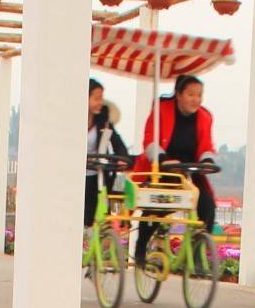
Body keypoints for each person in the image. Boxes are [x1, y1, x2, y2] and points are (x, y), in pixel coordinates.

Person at [133, 73, 217, 268]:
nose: (196, 99)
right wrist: (164, 159)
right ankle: (141, 246)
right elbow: (149, 141)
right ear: (178, 94)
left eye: (199, 95)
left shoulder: (204, 117)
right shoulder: (161, 110)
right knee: (157, 207)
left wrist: (207, 160)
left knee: (207, 205)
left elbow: (206, 145)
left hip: (190, 169)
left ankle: (196, 254)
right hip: (164, 168)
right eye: (191, 94)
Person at [85, 80, 130, 227]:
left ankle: (116, 220)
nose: (100, 102)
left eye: (101, 98)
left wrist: (122, 159)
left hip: (95, 173)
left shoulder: (103, 122)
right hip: (76, 175)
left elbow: (117, 143)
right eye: (96, 98)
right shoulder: (71, 121)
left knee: (117, 185)